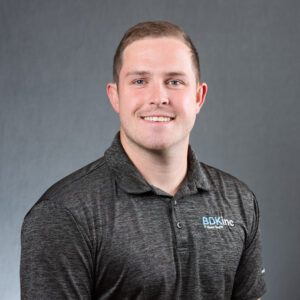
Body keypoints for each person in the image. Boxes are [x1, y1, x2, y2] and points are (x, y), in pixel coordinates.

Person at [20, 21, 266, 300]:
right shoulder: (62, 214)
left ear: (198, 96)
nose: (158, 97)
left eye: (174, 81)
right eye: (139, 81)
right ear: (116, 96)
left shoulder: (239, 202)